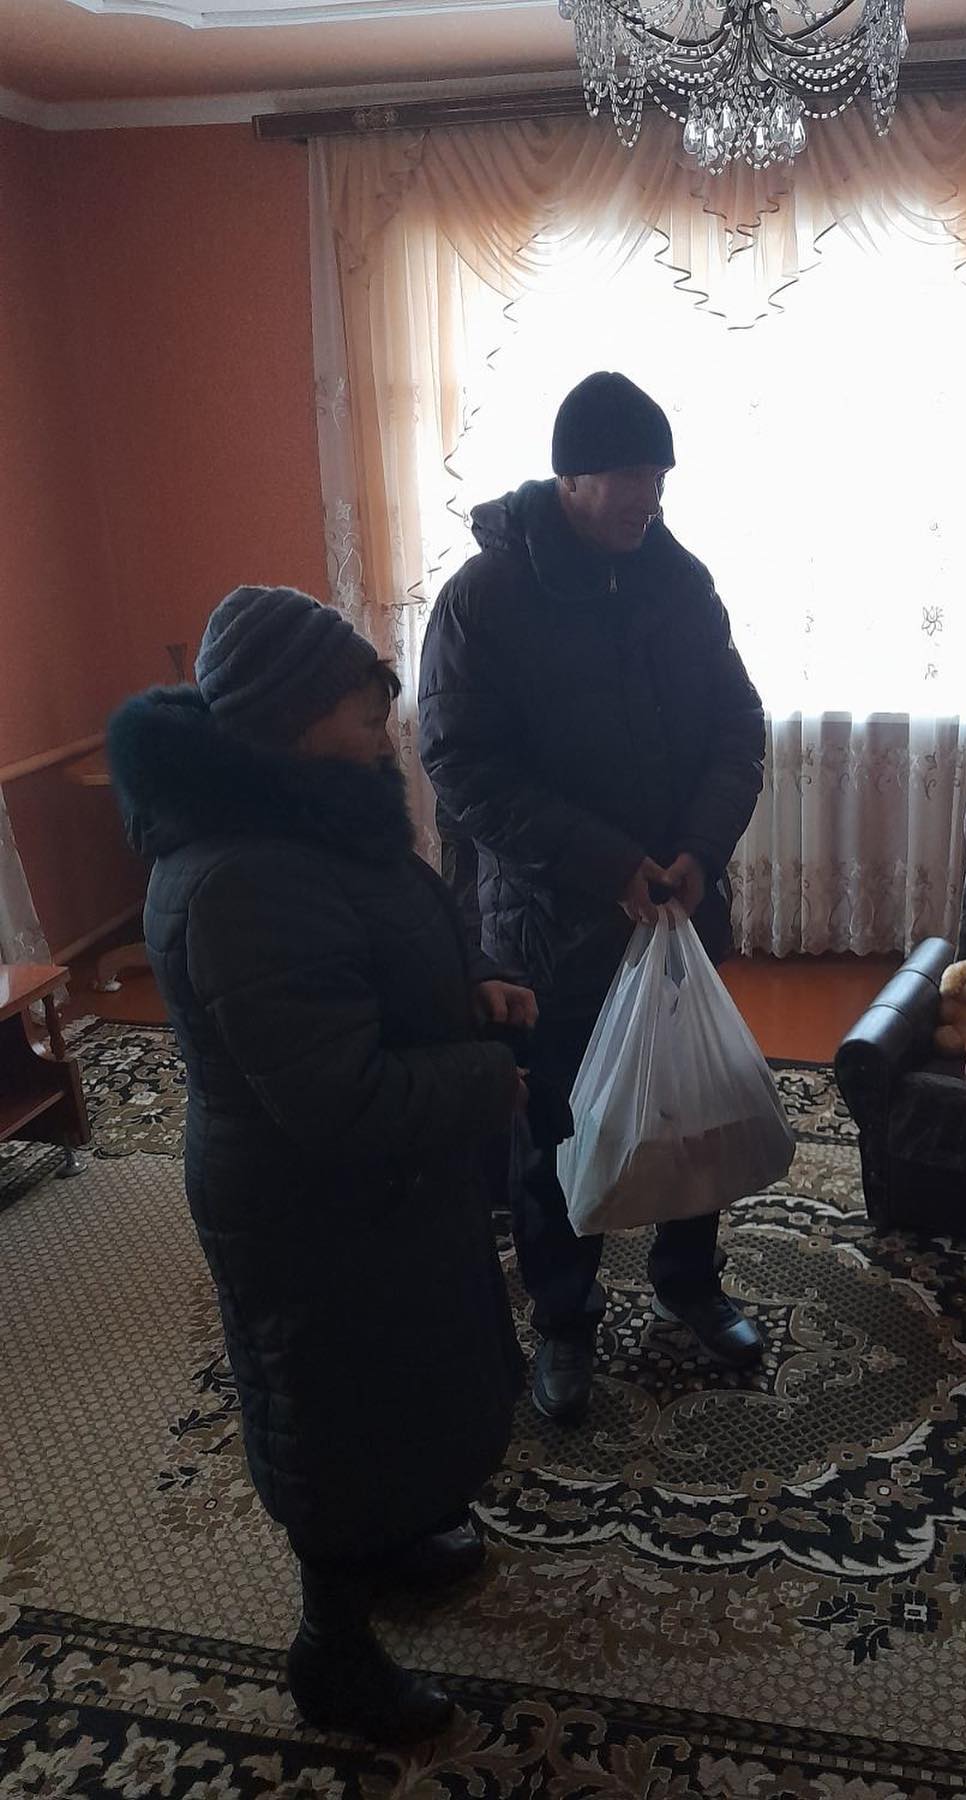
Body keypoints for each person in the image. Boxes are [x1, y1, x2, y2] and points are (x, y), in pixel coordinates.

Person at [108, 586, 532, 1746]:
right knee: (333, 1417)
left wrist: (470, 989)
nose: (381, 732)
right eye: (360, 713)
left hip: (374, 1190)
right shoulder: (246, 876)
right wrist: (483, 1082)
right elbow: (335, 1096)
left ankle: (391, 1542)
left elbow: (380, 952)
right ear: (289, 720)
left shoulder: (314, 820)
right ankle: (331, 1650)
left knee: (393, 1386)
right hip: (307, 1204)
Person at [419, 371, 767, 1426]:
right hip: (551, 920)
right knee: (558, 1126)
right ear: (570, 479)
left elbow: (737, 727)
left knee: (691, 1106)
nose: (648, 499)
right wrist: (608, 864)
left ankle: (688, 1279)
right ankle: (565, 1318)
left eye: (658, 478)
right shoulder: (483, 599)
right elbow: (461, 766)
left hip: (677, 906)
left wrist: (700, 848)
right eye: (628, 478)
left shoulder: (680, 580)